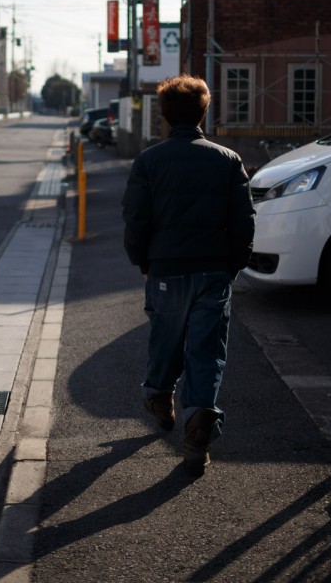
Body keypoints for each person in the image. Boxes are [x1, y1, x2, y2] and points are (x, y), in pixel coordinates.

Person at [121, 75, 255, 474]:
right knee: (207, 350)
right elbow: (244, 221)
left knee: (166, 339)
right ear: (204, 110)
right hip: (214, 269)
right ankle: (198, 429)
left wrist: (142, 262)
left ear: (163, 114)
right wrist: (234, 264)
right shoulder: (228, 160)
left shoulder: (149, 161)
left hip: (165, 268)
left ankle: (160, 396)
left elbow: (135, 219)